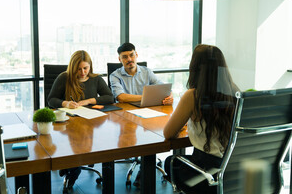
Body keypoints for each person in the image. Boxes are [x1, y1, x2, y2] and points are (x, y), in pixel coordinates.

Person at [163, 44, 239, 193]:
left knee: (169, 163)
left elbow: (168, 133)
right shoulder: (234, 90)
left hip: (205, 175)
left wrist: (182, 127)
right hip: (232, 173)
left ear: (195, 67)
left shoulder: (193, 95)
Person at [47, 50, 114, 189]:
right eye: (79, 69)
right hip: (67, 124)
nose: (83, 72)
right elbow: (51, 100)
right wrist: (66, 103)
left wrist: (89, 100)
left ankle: (72, 166)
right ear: (73, 67)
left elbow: (109, 97)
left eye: (85, 68)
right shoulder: (64, 78)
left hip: (89, 122)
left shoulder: (95, 79)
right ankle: (72, 166)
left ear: (90, 66)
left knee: (88, 140)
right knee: (73, 142)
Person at [109, 42, 173, 187]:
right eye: (124, 57)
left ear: (136, 55)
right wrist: (147, 95)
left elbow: (162, 87)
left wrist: (169, 96)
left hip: (148, 113)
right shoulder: (115, 75)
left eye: (131, 55)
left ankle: (144, 171)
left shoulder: (146, 71)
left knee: (153, 135)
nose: (129, 59)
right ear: (120, 60)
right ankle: (144, 169)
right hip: (126, 117)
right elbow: (121, 97)